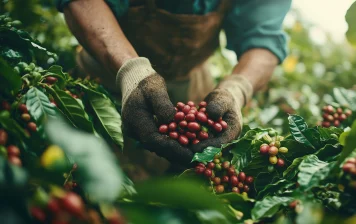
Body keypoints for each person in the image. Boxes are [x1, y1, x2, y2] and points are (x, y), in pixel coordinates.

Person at [56, 0, 292, 172]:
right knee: (81, 175)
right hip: (103, 76)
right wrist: (131, 71)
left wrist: (237, 88)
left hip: (191, 82)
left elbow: (264, 40)